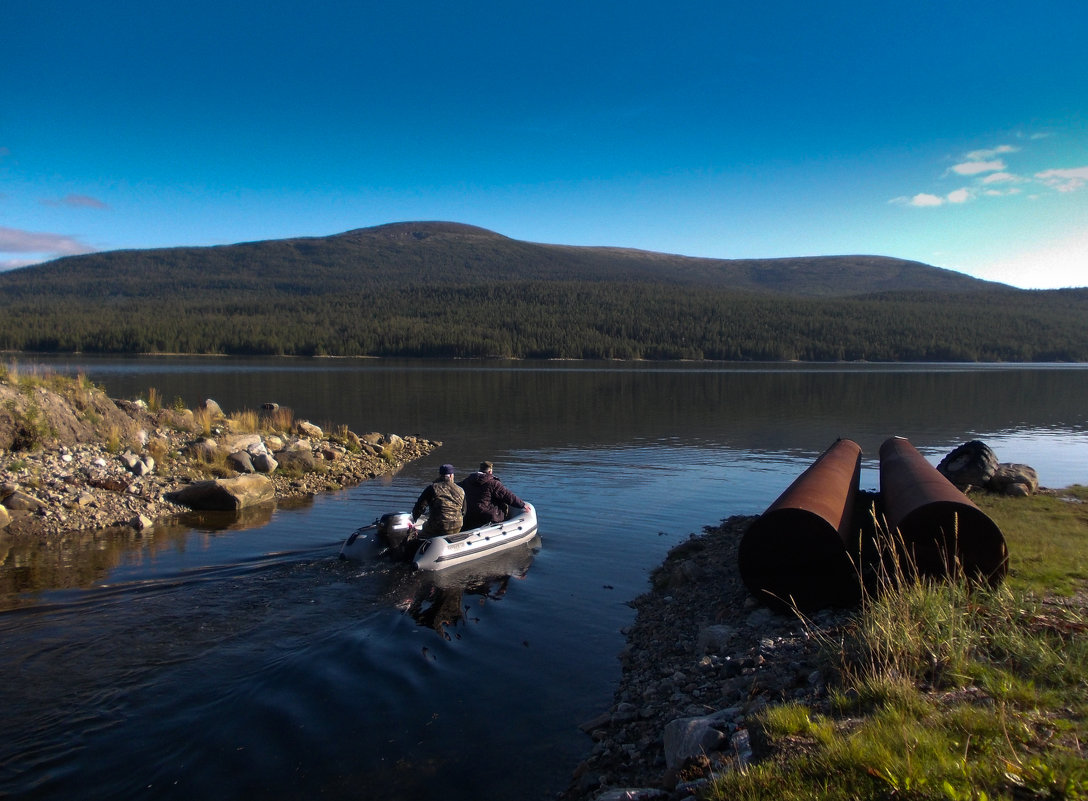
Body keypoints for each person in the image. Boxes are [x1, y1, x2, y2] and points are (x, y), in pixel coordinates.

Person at [459, 461, 526, 530]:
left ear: (479, 470)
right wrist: (522, 505)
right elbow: (508, 496)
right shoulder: (493, 483)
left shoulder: (467, 481)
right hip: (486, 516)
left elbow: (457, 487)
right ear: (490, 471)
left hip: (470, 514)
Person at [412, 464, 466, 537]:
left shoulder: (432, 488)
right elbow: (464, 511)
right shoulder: (460, 490)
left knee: (423, 527)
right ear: (451, 475)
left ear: (440, 475)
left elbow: (420, 507)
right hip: (457, 526)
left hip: (438, 527)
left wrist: (413, 520)